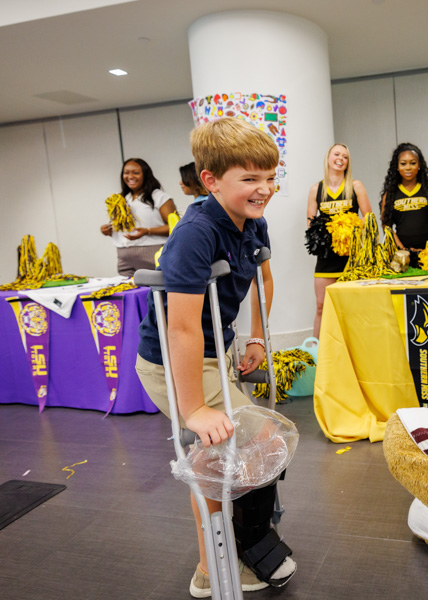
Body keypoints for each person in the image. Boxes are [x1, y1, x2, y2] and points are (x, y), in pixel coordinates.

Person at [135, 117, 296, 597]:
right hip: (173, 360)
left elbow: (260, 282)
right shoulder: (196, 233)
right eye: (250, 179)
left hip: (216, 349)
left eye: (269, 177)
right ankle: (212, 569)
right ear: (211, 181)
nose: (264, 189)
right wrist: (194, 409)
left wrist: (255, 340)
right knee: (230, 450)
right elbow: (181, 327)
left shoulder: (252, 220)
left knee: (246, 449)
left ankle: (241, 545)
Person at [306, 143, 372, 338]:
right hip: (326, 256)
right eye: (337, 154)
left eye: (345, 157)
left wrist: (348, 226)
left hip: (351, 255)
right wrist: (327, 233)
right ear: (328, 158)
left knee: (353, 306)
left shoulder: (355, 186)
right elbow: (310, 224)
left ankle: (356, 344)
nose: (340, 159)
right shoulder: (316, 189)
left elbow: (369, 219)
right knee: (321, 305)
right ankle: (317, 352)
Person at [100, 158, 177, 277]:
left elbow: (176, 227)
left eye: (135, 173)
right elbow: (119, 227)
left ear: (145, 175)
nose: (130, 176)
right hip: (123, 255)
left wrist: (148, 231)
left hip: (151, 252)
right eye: (126, 172)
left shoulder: (159, 197)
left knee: (154, 291)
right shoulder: (121, 199)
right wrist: (107, 230)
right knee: (128, 290)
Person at [380, 143, 428, 268]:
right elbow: (386, 225)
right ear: (396, 166)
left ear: (419, 165)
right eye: (403, 163)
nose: (408, 167)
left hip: (427, 255)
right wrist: (402, 250)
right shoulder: (390, 194)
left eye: (412, 163)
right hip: (400, 256)